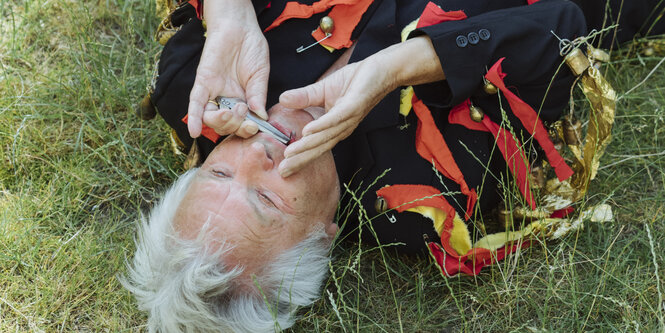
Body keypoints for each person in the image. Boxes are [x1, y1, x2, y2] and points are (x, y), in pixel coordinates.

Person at [122, 0, 665, 331]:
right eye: (265, 198)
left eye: (218, 173)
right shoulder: (428, 191)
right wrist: (402, 67)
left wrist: (229, 13)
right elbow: (562, 30)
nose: (256, 156)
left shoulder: (199, 87)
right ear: (322, 235)